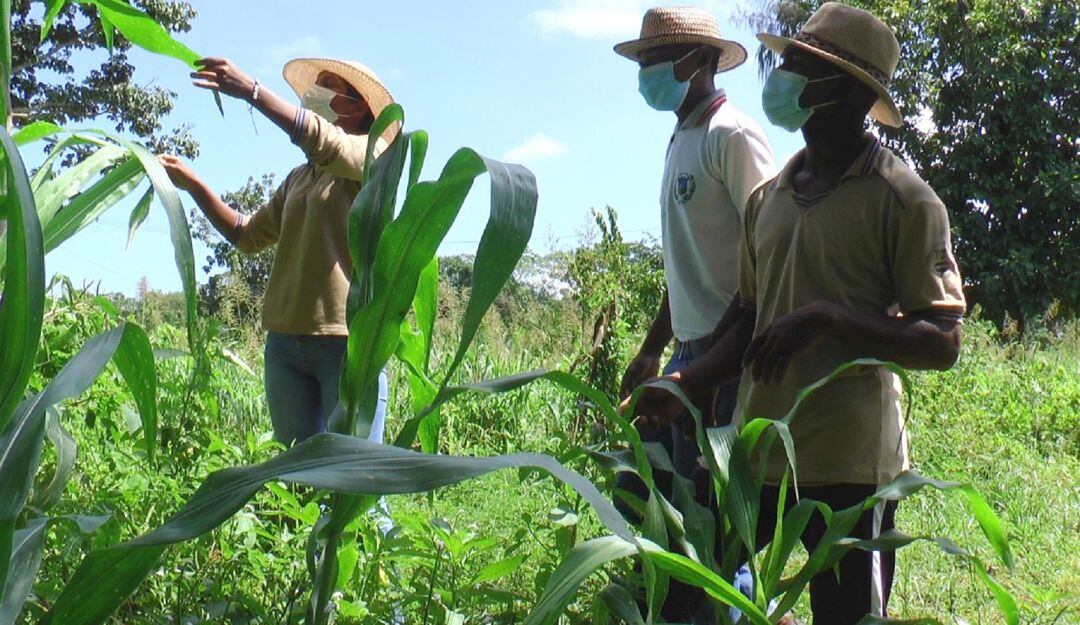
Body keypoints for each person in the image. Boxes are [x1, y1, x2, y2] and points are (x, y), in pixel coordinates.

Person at [629, 3, 967, 623]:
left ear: (848, 91)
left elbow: (942, 340)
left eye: (802, 68)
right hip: (758, 455)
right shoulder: (770, 199)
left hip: (850, 467)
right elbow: (749, 317)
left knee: (845, 613)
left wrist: (832, 320)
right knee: (690, 588)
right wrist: (685, 382)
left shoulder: (903, 199)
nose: (780, 78)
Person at [613, 6, 776, 623]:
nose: (649, 73)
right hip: (688, 355)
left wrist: (705, 369)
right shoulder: (680, 138)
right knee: (685, 523)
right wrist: (655, 346)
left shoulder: (730, 136)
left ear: (701, 62)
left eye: (659, 60)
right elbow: (683, 263)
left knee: (720, 533)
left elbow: (768, 249)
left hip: (726, 362)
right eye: (645, 61)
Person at [160, 57, 396, 447]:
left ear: (356, 107)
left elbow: (325, 141)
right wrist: (194, 185)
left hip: (346, 344)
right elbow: (247, 234)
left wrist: (252, 91)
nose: (313, 95)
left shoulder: (375, 159)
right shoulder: (300, 178)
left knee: (358, 483)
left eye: (327, 86)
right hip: (285, 344)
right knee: (297, 475)